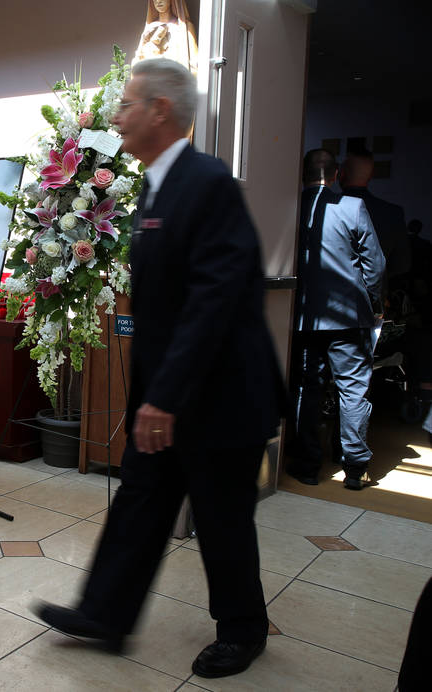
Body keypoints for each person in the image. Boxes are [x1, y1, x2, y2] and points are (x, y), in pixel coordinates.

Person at [33, 58, 284, 679]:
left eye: (125, 106)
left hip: (221, 396)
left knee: (222, 517)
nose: (115, 119)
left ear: (160, 111)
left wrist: (163, 396)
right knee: (142, 499)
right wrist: (155, 395)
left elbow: (213, 302)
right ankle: (106, 613)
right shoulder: (155, 186)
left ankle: (244, 629)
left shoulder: (207, 182)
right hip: (172, 394)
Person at [290, 149, 384, 490]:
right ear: (335, 175)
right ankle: (355, 469)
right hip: (348, 315)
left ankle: (306, 466)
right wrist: (374, 303)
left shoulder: (290, 207)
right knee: (353, 390)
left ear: (302, 174)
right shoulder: (352, 207)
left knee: (305, 389)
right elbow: (375, 264)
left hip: (302, 317)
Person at [340, 148, 409, 295]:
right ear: (371, 176)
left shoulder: (328, 208)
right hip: (374, 299)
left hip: (333, 295)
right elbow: (402, 264)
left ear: (341, 174)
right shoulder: (392, 213)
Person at [132, 0, 199, 76]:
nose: (158, 0)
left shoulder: (185, 27)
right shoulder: (150, 28)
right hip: (151, 82)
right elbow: (138, 61)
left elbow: (194, 64)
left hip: (174, 81)